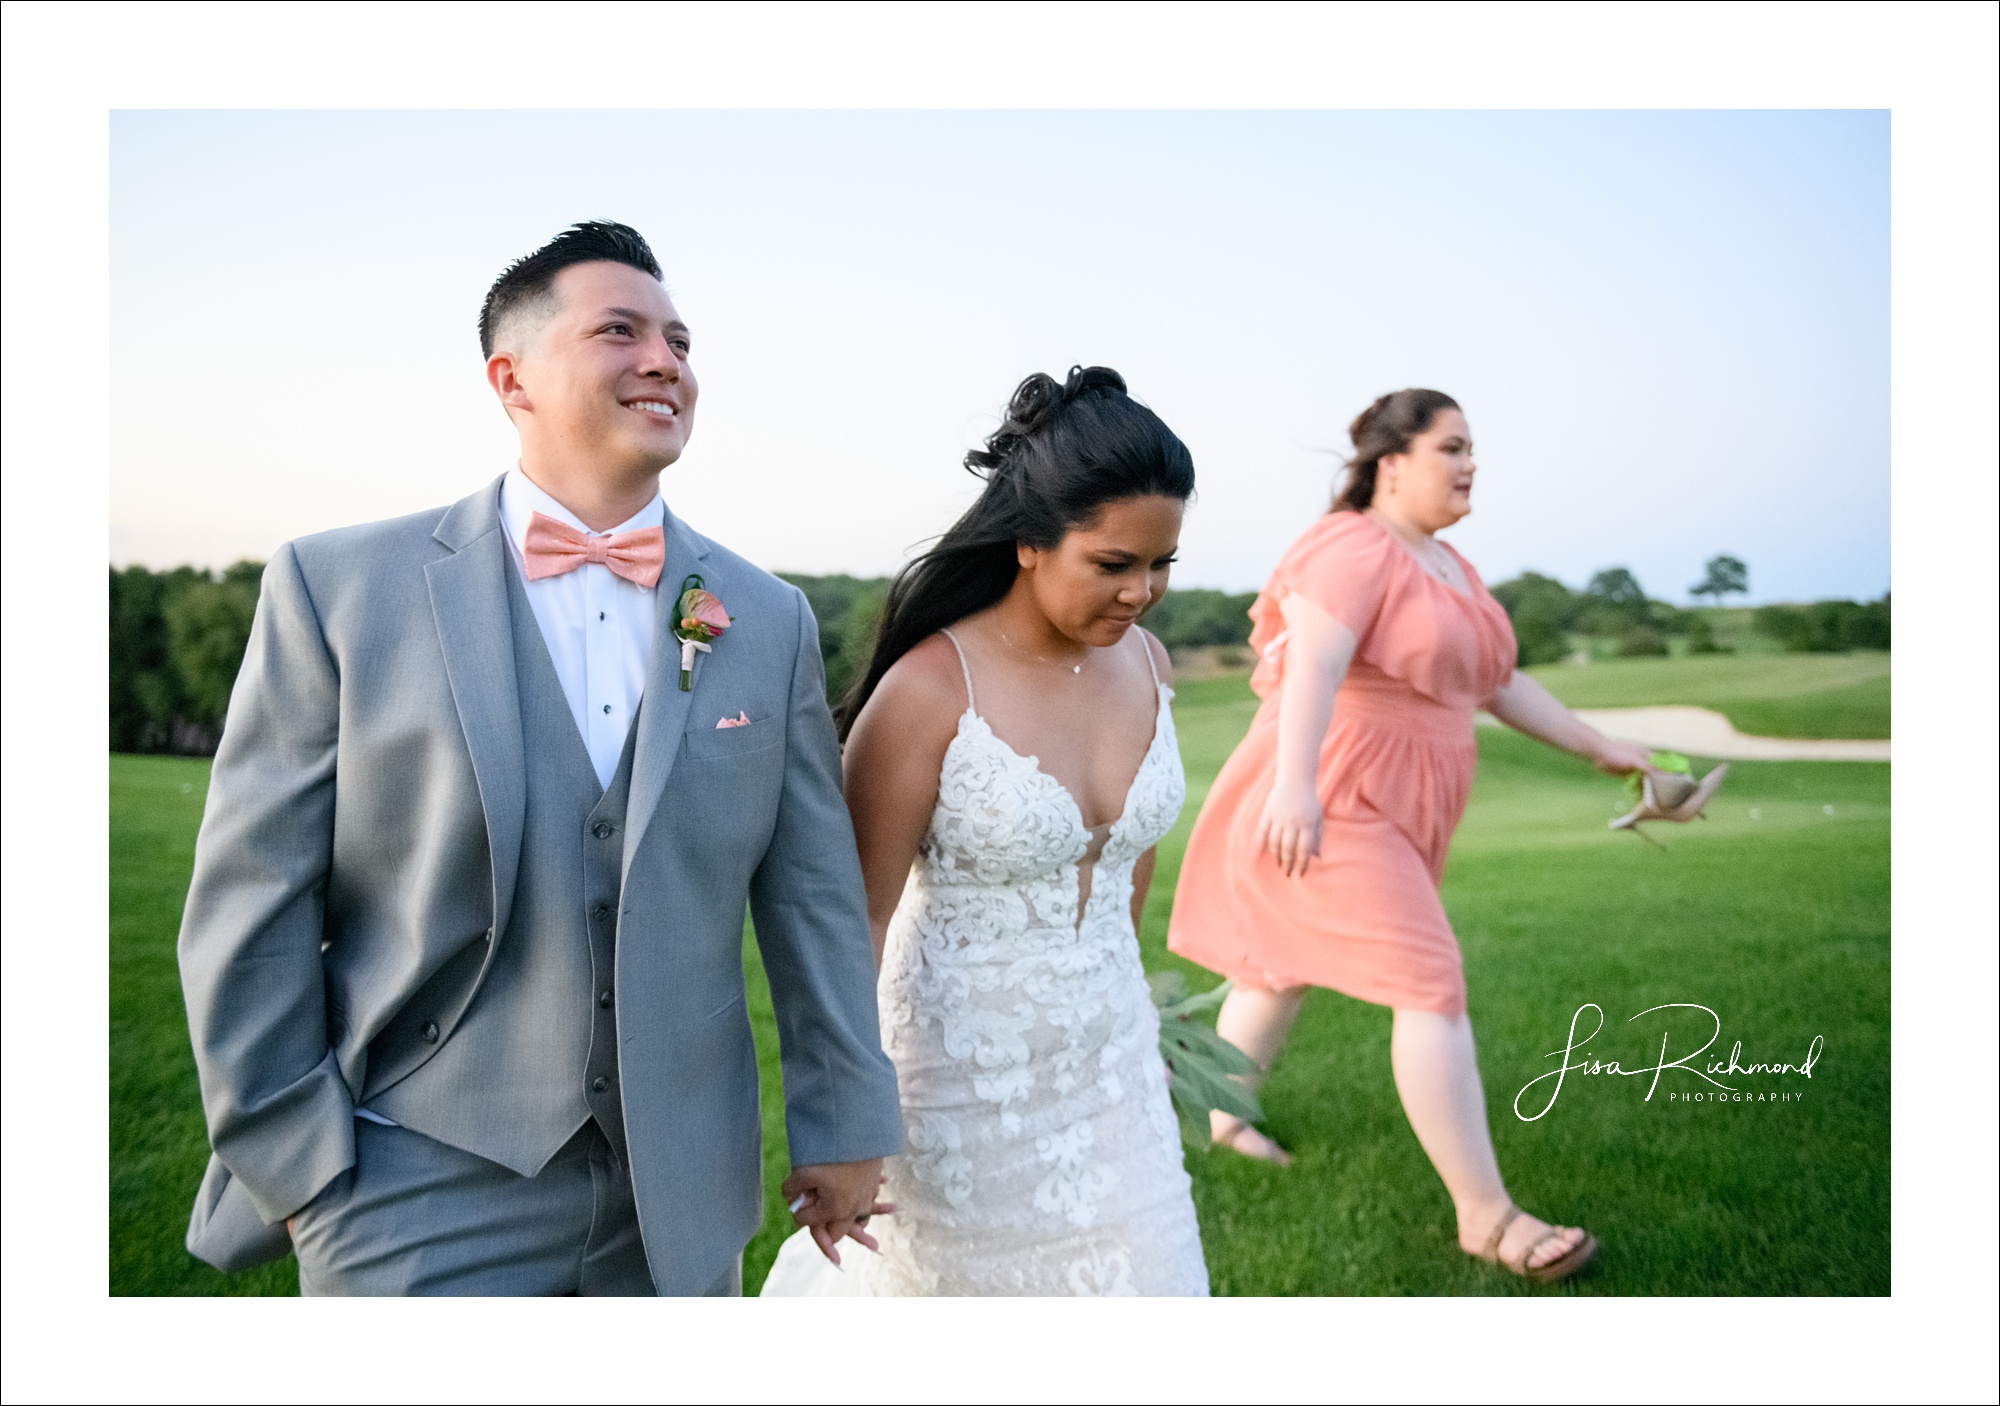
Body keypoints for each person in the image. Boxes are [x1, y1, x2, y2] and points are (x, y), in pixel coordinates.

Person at [176, 221, 902, 1295]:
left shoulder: (766, 614)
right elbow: (253, 897)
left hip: (679, 1194)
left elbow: (813, 900)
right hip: (408, 1177)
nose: (666, 360)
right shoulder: (339, 589)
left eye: (680, 340)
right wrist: (299, 1162)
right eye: (621, 330)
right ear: (509, 377)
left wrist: (843, 1115)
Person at [1168, 388, 1656, 1284]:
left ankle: (1223, 1119)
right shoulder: (1352, 545)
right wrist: (1296, 788)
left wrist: (1603, 749)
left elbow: (1499, 686)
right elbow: (1312, 659)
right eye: (1453, 447)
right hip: (1334, 787)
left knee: (1277, 970)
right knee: (1428, 981)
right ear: (1392, 463)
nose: (1470, 464)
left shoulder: (1453, 568)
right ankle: (1490, 1217)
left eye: (1474, 450)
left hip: (1409, 796)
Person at [759, 367, 1209, 1296]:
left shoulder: (1150, 663)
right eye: (1114, 564)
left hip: (1117, 1076)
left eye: (1162, 563)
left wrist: (1129, 1027)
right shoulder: (929, 691)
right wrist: (850, 1123)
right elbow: (854, 922)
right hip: (957, 1097)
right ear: (1029, 544)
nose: (1142, 593)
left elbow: (1125, 877)